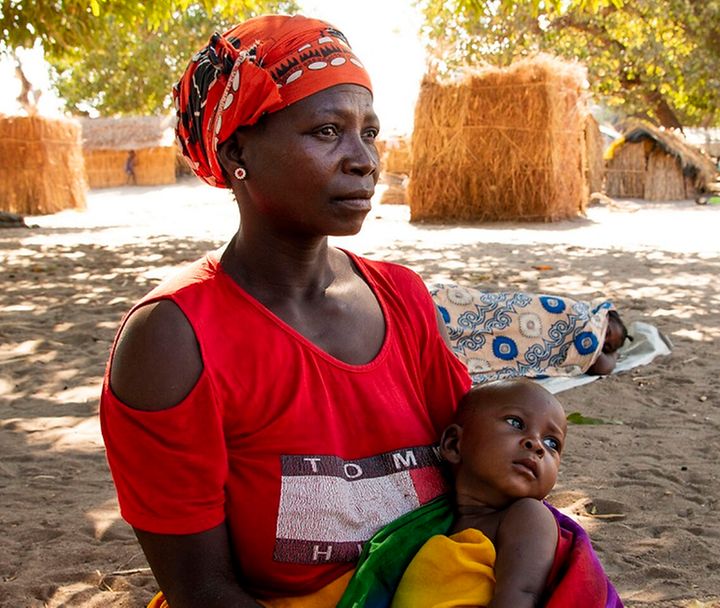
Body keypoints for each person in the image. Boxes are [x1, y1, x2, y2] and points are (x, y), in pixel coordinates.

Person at [99, 15, 471, 608]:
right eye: (327, 131)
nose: (364, 161)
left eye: (369, 133)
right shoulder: (173, 340)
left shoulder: (403, 298)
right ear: (237, 149)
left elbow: (479, 481)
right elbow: (201, 590)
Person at [391, 380, 620, 607]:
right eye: (516, 423)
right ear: (453, 444)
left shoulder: (527, 516)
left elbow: (522, 595)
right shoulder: (434, 520)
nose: (537, 445)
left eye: (552, 443)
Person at [429, 283, 631, 383]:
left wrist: (610, 351)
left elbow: (602, 365)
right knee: (478, 307)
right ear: (603, 316)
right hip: (501, 309)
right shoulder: (578, 313)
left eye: (608, 346)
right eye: (608, 332)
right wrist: (612, 350)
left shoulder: (590, 340)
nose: (601, 341)